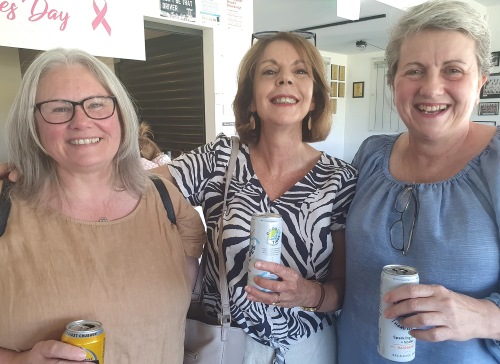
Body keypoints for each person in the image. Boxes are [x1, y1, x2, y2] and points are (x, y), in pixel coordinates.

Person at [156, 31, 357, 364]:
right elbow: (143, 191)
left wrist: (309, 293)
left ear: (315, 98)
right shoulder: (219, 158)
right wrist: (187, 235)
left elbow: (346, 287)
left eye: (300, 71)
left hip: (306, 349)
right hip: (222, 344)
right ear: (251, 99)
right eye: (269, 71)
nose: (285, 80)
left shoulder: (340, 179)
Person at [0, 48, 206, 363]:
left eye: (97, 104)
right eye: (58, 108)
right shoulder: (7, 209)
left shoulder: (167, 202)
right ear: (32, 123)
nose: (81, 121)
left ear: (121, 114)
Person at [337, 1, 500, 363]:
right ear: (393, 81)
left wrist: (487, 317)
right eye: (415, 70)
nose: (431, 88)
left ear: (480, 84)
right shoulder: (370, 156)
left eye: (453, 70)